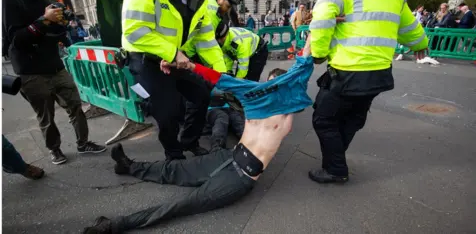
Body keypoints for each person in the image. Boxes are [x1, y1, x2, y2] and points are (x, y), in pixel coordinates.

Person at [83, 51, 314, 234]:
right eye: (268, 84)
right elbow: (218, 78)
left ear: (285, 89)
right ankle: (129, 166)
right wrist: (184, 64)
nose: (269, 91)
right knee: (174, 169)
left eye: (277, 86)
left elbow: (303, 65)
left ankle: (115, 225)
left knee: (180, 206)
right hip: (228, 157)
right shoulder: (252, 96)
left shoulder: (285, 114)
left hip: (240, 177)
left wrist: (316, 29)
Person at [308, 0, 429, 184]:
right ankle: (335, 159)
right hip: (379, 74)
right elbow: (410, 29)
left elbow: (321, 20)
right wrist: (421, 43)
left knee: (323, 120)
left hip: (347, 71)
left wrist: (318, 54)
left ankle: (335, 169)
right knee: (353, 118)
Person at [2, 0, 106, 165]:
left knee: (75, 105)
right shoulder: (10, 0)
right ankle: (55, 149)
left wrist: (62, 23)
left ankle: (83, 143)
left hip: (56, 66)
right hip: (31, 72)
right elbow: (16, 39)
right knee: (46, 115)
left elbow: (55, 35)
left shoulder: (46, 2)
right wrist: (44, 20)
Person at [121, 0, 227, 160]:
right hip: (146, 60)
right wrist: (172, 54)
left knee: (202, 94)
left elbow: (205, 38)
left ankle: (189, 141)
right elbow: (135, 31)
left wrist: (221, 73)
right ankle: (174, 154)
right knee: (167, 111)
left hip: (175, 59)